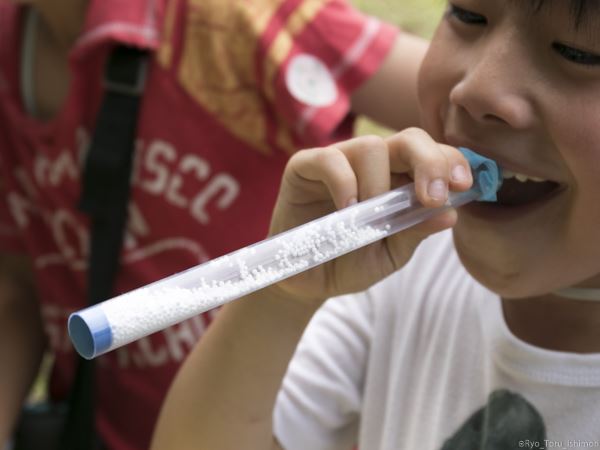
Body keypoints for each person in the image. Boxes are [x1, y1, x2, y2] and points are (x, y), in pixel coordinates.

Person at [151, 0, 600, 449]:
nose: (477, 88)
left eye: (579, 53)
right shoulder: (411, 263)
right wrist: (282, 294)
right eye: (467, 14)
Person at [0, 0, 429, 448]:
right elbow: (17, 281)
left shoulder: (240, 15)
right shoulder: (10, 46)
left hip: (272, 426)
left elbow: (462, 102)